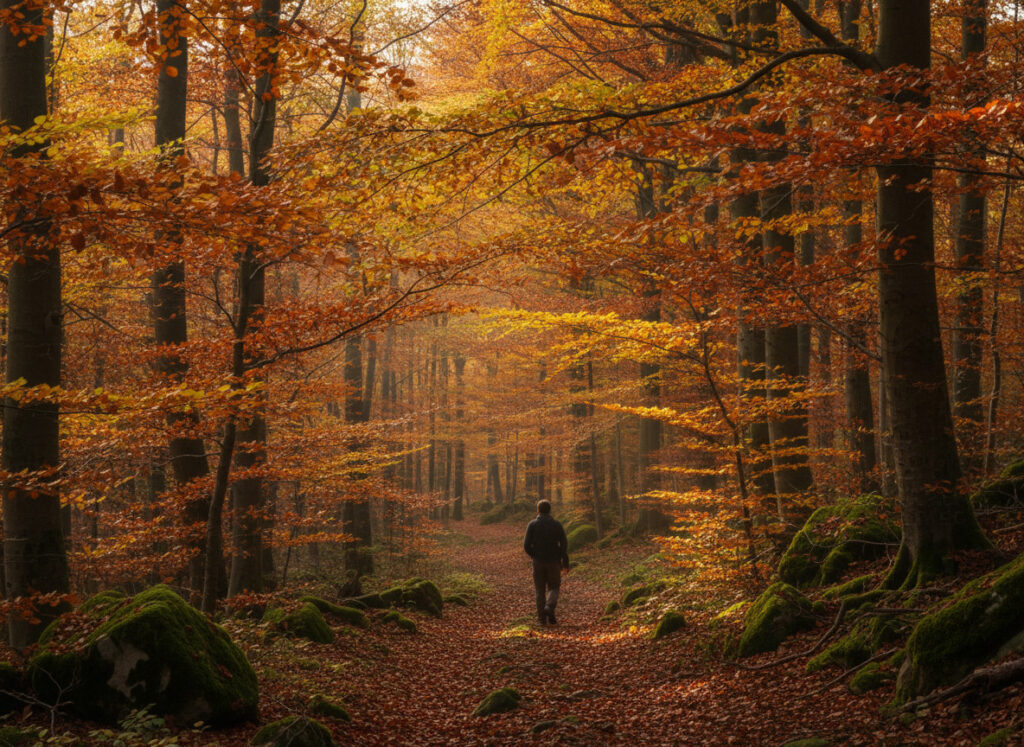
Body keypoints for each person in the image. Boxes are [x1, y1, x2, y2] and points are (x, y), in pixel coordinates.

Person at [523, 499, 569, 625]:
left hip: (538, 562)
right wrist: (564, 560)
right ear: (550, 510)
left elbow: (526, 545)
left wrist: (534, 555)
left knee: (539, 590)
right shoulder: (557, 524)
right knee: (554, 587)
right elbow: (564, 544)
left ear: (538, 510)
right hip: (554, 561)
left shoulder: (532, 525)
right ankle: (549, 608)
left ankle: (542, 619)